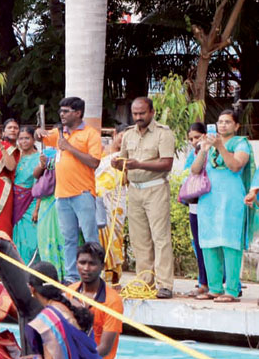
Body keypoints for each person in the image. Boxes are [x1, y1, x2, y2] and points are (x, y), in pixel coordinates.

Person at [193, 109, 258, 303]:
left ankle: (231, 289)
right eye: (220, 122)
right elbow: (195, 170)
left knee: (230, 243)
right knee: (209, 243)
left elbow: (235, 165)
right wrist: (203, 149)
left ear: (236, 126)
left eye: (228, 122)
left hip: (232, 200)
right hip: (209, 200)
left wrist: (220, 146)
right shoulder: (210, 144)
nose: (222, 125)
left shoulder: (241, 144)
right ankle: (214, 288)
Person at [35, 97, 102, 283]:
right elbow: (40, 138)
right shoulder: (59, 132)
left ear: (78, 113)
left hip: (83, 193)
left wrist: (69, 148)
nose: (61, 114)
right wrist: (38, 133)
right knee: (69, 238)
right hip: (61, 195)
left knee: (90, 238)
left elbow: (94, 162)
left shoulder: (90, 134)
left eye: (66, 111)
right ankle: (72, 277)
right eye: (61, 111)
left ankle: (96, 276)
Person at [114, 97, 175, 298]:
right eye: (135, 113)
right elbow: (123, 160)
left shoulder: (163, 133)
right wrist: (118, 164)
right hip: (135, 189)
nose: (138, 117)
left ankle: (164, 284)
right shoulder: (128, 135)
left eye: (142, 113)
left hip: (155, 188)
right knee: (140, 239)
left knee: (160, 237)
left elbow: (167, 163)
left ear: (152, 112)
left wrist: (139, 164)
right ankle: (145, 281)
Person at [69, 242, 122, 359]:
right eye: (82, 262)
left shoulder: (113, 301)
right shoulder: (69, 292)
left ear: (102, 267)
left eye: (92, 264)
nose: (86, 268)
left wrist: (73, 358)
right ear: (76, 264)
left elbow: (104, 348)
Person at [95, 124, 128, 284]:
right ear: (115, 134)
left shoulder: (127, 156)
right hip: (99, 198)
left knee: (115, 234)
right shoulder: (101, 151)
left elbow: (127, 179)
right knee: (100, 232)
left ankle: (114, 272)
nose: (123, 141)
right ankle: (101, 272)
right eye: (122, 136)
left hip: (117, 200)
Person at [182, 122, 209, 297]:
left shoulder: (210, 152)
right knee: (198, 245)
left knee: (211, 245)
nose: (193, 141)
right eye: (191, 138)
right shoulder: (193, 154)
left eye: (197, 137)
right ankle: (203, 282)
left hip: (208, 203)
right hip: (194, 205)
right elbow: (188, 173)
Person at [34, 151, 66, 281]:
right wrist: (43, 164)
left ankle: (68, 276)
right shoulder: (48, 153)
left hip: (65, 199)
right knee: (46, 237)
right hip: (47, 205)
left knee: (64, 238)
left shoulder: (67, 153)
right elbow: (38, 178)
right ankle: (51, 276)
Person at [13, 127, 40, 264]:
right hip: (14, 202)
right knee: (16, 236)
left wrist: (36, 209)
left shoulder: (38, 158)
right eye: (21, 138)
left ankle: (32, 268)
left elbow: (39, 185)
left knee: (30, 238)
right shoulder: (15, 157)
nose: (23, 141)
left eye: (27, 138)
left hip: (30, 202)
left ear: (33, 139)